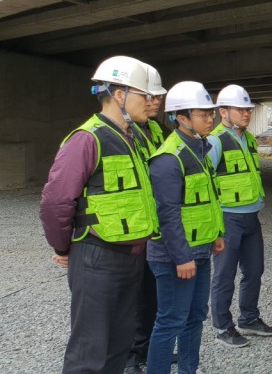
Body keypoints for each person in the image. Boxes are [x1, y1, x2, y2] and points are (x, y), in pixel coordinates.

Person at [40, 55, 160, 373]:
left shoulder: (132, 138)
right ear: (119, 94)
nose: (149, 102)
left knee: (118, 347)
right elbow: (55, 202)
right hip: (97, 258)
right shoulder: (87, 139)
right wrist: (63, 247)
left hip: (130, 258)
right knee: (89, 353)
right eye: (143, 95)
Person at [145, 81, 226, 374]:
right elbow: (167, 214)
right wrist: (182, 257)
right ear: (181, 117)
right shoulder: (170, 158)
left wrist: (216, 235)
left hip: (200, 251)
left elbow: (205, 201)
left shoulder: (199, 149)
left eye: (211, 113)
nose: (210, 119)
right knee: (170, 321)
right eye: (203, 114)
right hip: (174, 257)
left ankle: (188, 370)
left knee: (195, 316)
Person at [207, 84, 272, 347]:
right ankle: (222, 326)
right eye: (241, 109)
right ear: (223, 111)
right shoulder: (215, 141)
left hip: (250, 218)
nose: (247, 113)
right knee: (224, 275)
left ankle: (249, 318)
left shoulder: (247, 139)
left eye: (248, 109)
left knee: (254, 270)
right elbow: (206, 182)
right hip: (228, 219)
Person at [126, 63, 168, 374]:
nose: (154, 101)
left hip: (152, 227)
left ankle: (146, 351)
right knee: (131, 299)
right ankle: (129, 358)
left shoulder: (154, 130)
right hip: (129, 230)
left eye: (157, 97)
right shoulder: (120, 133)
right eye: (149, 95)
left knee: (151, 294)